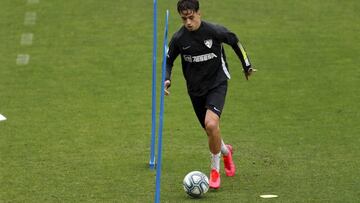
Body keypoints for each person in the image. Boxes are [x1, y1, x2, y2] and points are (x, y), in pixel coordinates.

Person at [164, 0, 254, 189]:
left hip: (217, 82)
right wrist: (167, 79)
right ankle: (226, 151)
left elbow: (234, 40)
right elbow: (168, 60)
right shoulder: (179, 39)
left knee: (211, 124)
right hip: (195, 90)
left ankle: (214, 170)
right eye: (184, 19)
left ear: (199, 13)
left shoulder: (214, 31)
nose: (188, 22)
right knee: (210, 131)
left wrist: (246, 64)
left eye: (191, 17)